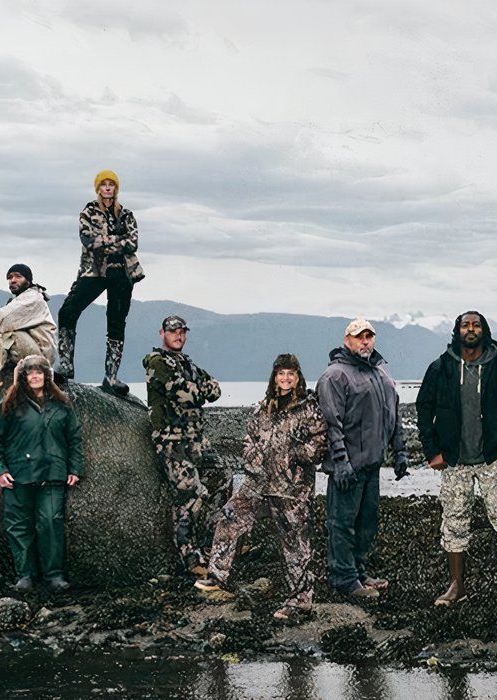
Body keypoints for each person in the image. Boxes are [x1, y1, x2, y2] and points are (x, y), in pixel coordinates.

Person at [417, 311, 497, 607]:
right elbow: (424, 409)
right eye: (466, 325)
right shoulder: (441, 368)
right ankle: (456, 586)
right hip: (454, 461)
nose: (471, 329)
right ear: (457, 331)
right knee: (454, 522)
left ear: (484, 330)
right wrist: (432, 451)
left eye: (476, 325)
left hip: (493, 460)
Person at [197, 355, 327, 620]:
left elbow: (320, 444)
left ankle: (299, 602)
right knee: (229, 516)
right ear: (274, 376)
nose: (286, 378)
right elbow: (249, 441)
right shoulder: (263, 408)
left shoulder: (309, 408)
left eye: (291, 373)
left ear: (298, 376)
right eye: (281, 373)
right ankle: (217, 577)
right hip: (258, 484)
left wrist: (295, 455)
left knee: (295, 544)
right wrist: (254, 461)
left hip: (292, 489)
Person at [318, 318, 410, 601]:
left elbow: (392, 414)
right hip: (347, 467)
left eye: (369, 336)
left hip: (372, 464)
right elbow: (331, 423)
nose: (365, 341)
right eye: (359, 337)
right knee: (341, 522)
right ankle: (343, 577)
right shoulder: (335, 376)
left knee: (367, 522)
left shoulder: (381, 372)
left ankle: (358, 570)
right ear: (347, 340)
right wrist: (341, 461)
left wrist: (400, 450)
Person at [0, 355, 83, 593]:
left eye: (39, 371)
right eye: (30, 372)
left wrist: (75, 468)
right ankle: (25, 575)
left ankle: (54, 576)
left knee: (51, 523)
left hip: (53, 474)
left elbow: (75, 439)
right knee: (18, 525)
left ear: (47, 376)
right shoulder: (9, 404)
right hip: (18, 476)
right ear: (23, 377)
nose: (35, 376)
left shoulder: (63, 405)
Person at [143, 315, 224, 578]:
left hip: (196, 439)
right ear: (162, 333)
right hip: (171, 441)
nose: (178, 335)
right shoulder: (157, 362)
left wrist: (197, 389)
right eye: (173, 331)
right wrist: (197, 389)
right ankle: (191, 559)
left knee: (222, 477)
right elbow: (185, 394)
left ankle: (213, 543)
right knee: (188, 494)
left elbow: (215, 388)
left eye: (182, 331)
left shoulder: (186, 362)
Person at [55, 169, 144, 395]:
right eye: (103, 184)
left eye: (111, 184)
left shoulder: (126, 214)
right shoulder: (88, 211)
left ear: (116, 188)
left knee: (116, 322)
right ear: (98, 188)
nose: (107, 187)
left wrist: (104, 241)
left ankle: (111, 378)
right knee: (68, 311)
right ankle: (66, 366)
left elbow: (132, 243)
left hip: (122, 273)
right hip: (93, 270)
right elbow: (87, 240)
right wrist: (117, 240)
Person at [0, 264, 56, 392]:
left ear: (28, 280)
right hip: (29, 347)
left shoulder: (33, 297)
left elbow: (4, 317)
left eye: (18, 276)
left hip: (40, 354)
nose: (13, 280)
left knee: (5, 331)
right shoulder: (19, 299)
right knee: (0, 330)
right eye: (10, 277)